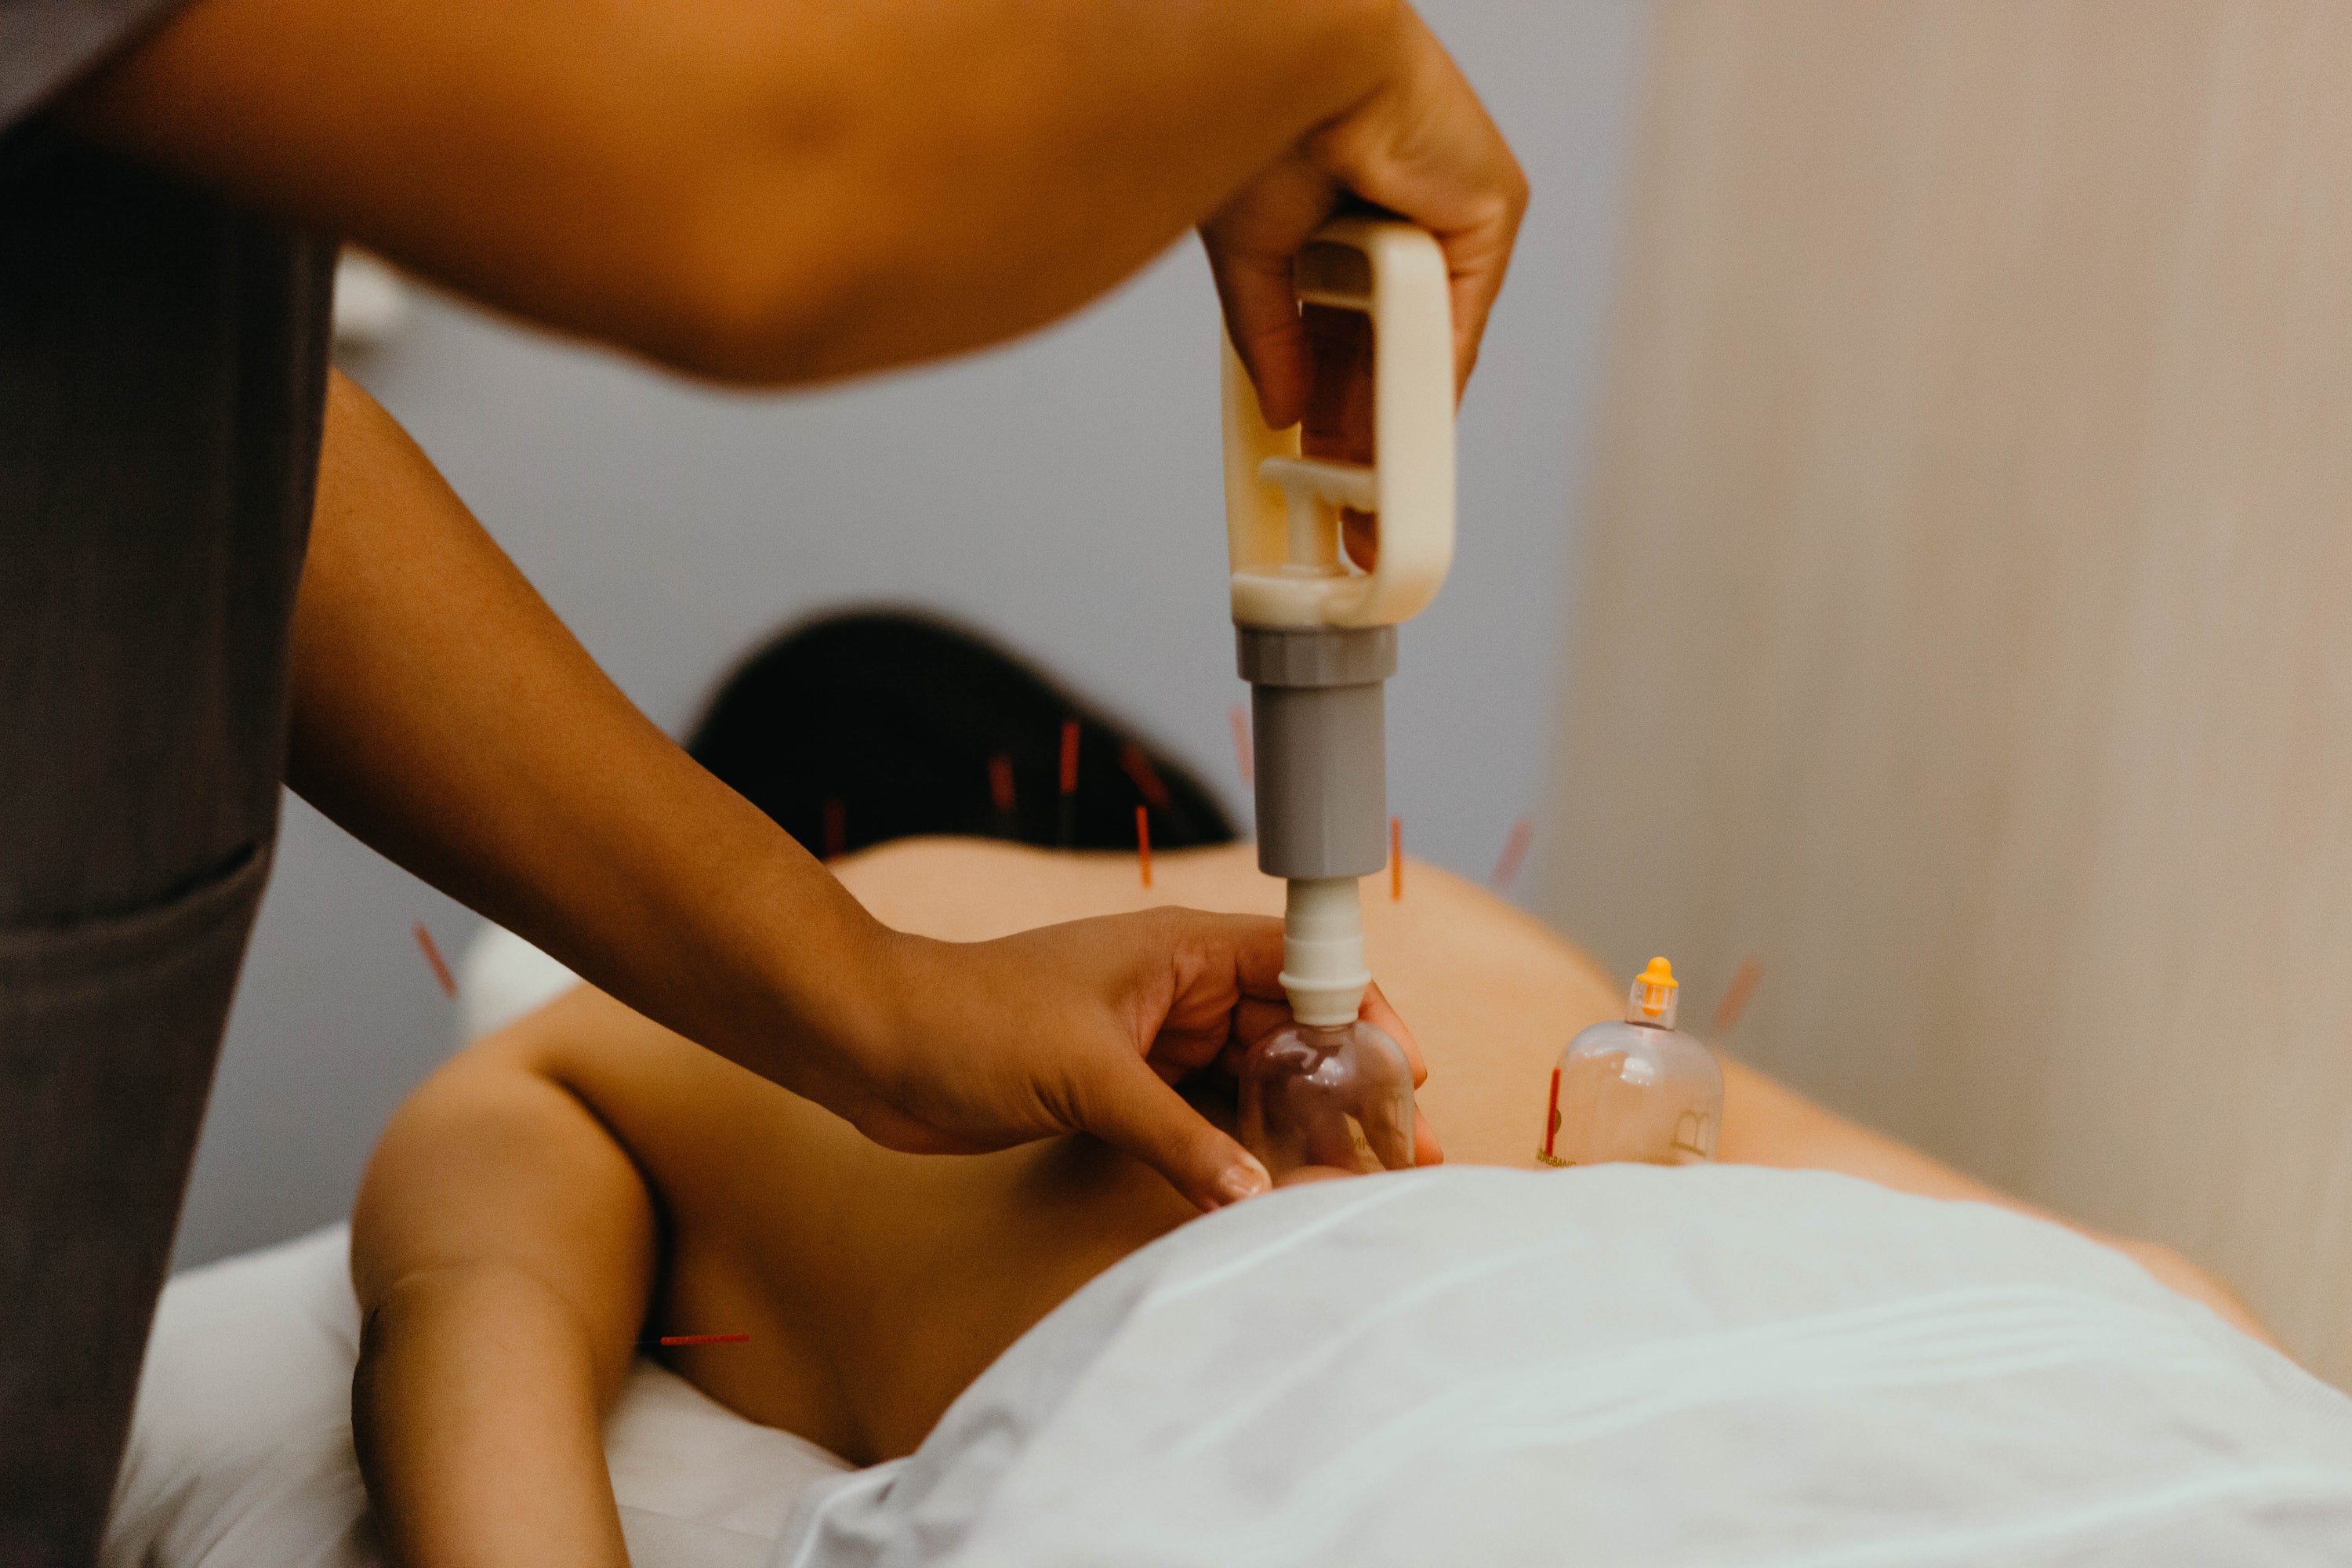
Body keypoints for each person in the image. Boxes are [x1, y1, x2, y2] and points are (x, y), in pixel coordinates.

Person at [0, 0, 1526, 1559]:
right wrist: (1316, 40)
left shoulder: (644, 1046)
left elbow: (473, 1323)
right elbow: (761, 186)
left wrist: (877, 991)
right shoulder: (1467, 934)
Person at [341, 614, 2281, 1563]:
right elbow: (2140, 1289)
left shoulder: (610, 1029)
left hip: (1377, 1440)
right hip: (2083, 1415)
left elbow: (472, 1346)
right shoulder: (1461, 924)